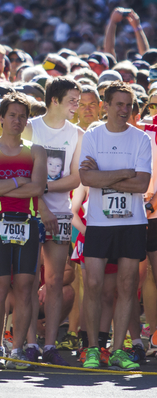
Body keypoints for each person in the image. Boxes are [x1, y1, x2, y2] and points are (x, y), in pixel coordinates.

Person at [78, 81, 150, 370]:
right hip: (99, 222)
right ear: (105, 106)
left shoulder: (141, 139)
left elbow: (142, 183)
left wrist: (104, 175)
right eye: (118, 104)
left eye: (128, 105)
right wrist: (123, 173)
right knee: (93, 284)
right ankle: (93, 349)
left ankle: (119, 350)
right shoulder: (93, 136)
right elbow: (86, 179)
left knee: (126, 286)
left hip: (132, 222)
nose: (124, 110)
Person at [0, 92, 47, 370]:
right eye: (12, 115)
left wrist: (4, 184)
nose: (17, 120)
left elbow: (38, 188)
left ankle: (17, 351)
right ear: (0, 118)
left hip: (28, 221)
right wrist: (20, 179)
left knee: (25, 287)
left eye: (22, 116)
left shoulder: (36, 150)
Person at [21, 77, 84, 366]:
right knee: (29, 280)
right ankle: (30, 342)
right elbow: (21, 173)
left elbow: (75, 177)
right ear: (54, 100)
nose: (77, 105)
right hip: (29, 212)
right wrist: (39, 201)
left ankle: (49, 346)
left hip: (59, 214)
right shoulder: (31, 127)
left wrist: (43, 189)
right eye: (72, 99)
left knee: (55, 281)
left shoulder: (78, 134)